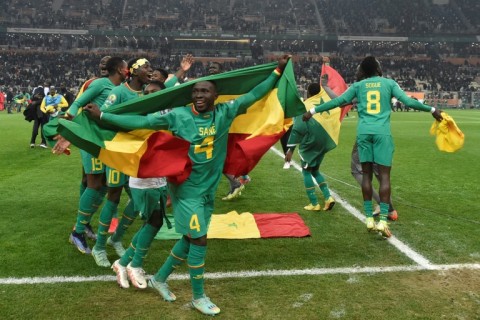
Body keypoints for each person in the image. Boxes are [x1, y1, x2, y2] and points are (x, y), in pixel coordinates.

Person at [84, 55, 291, 316]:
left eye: (205, 91)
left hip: (207, 191)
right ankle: (198, 296)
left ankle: (159, 278)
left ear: (216, 96)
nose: (199, 95)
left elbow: (254, 95)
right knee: (200, 239)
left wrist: (276, 71)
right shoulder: (179, 116)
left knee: (188, 238)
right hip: (185, 191)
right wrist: (103, 115)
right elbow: (143, 122)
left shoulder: (226, 112)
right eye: (196, 91)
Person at [303, 56, 443, 238]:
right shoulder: (389, 83)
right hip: (382, 134)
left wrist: (312, 111)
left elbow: (337, 102)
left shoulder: (358, 86)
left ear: (364, 70)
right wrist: (432, 110)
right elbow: (408, 102)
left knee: (366, 175)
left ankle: (369, 218)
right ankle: (383, 221)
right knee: (384, 177)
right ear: (377, 68)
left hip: (364, 134)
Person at [53, 56, 129, 254]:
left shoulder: (123, 88)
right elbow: (77, 104)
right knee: (94, 183)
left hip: (106, 141)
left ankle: (83, 225)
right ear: (120, 69)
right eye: (126, 67)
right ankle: (77, 232)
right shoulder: (99, 84)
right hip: (91, 139)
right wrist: (67, 130)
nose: (128, 70)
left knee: (102, 185)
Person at [91, 57, 154, 268]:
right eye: (146, 67)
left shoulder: (147, 93)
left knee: (137, 199)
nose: (150, 70)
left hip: (137, 153)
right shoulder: (118, 92)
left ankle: (116, 238)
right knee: (114, 195)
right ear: (134, 71)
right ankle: (99, 247)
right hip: (118, 151)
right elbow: (103, 117)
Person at [109, 79, 170, 289]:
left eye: (156, 92)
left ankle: (124, 262)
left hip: (159, 178)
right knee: (153, 222)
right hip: (143, 179)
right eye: (147, 91)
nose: (150, 94)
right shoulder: (139, 117)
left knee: (154, 222)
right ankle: (133, 264)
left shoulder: (167, 114)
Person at [285, 83, 335, 211]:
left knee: (306, 171)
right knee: (315, 170)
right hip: (324, 141)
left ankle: (314, 203)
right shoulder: (325, 104)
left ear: (308, 93)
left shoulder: (304, 106)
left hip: (310, 143)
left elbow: (298, 128)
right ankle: (328, 197)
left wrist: (290, 149)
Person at [206, 61, 250, 201]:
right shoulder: (206, 84)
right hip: (214, 127)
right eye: (210, 67)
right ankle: (239, 179)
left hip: (227, 127)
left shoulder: (228, 86)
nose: (211, 69)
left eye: (215, 67)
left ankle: (236, 182)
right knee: (219, 158)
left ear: (222, 70)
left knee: (218, 159)